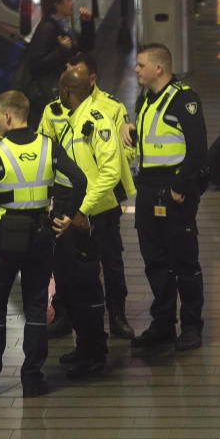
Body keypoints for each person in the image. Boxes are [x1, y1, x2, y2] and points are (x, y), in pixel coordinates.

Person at [0, 90, 86, 396]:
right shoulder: (48, 146)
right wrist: (67, 215)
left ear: (9, 116)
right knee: (37, 307)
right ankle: (33, 377)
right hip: (41, 236)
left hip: (3, 239)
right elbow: (79, 180)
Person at [39, 52, 136, 340]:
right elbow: (45, 149)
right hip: (67, 198)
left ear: (91, 79)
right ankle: (65, 314)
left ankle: (116, 314)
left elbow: (123, 153)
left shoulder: (110, 109)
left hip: (101, 201)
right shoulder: (53, 110)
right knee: (66, 262)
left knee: (110, 258)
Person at [48, 68, 125, 378]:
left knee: (86, 284)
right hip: (74, 210)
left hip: (89, 216)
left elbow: (111, 171)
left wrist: (84, 210)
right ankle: (85, 346)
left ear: (67, 91)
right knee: (73, 282)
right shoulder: (76, 119)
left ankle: (95, 353)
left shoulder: (96, 121)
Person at [131, 43, 207, 352]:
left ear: (158, 68)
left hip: (174, 193)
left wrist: (179, 186)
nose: (135, 70)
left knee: (184, 262)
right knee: (155, 261)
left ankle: (191, 326)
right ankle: (162, 324)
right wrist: (129, 127)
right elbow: (152, 136)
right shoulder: (146, 98)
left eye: (140, 65)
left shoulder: (184, 99)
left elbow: (198, 151)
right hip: (148, 190)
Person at [24, 0, 94, 128]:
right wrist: (62, 51)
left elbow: (84, 48)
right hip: (49, 96)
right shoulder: (47, 28)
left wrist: (86, 24)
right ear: (56, 4)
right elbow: (36, 65)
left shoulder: (62, 26)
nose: (73, 3)